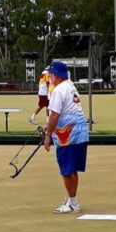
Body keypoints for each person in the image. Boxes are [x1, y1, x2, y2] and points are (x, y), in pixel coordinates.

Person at [43, 61, 89, 214]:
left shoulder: (58, 90)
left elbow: (55, 114)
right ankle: (72, 200)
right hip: (79, 132)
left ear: (55, 75)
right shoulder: (70, 86)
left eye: (50, 74)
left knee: (67, 170)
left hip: (68, 135)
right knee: (71, 169)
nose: (48, 77)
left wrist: (48, 135)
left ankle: (73, 203)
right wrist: (49, 126)